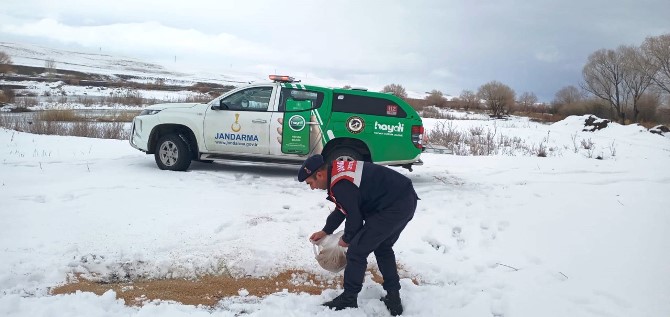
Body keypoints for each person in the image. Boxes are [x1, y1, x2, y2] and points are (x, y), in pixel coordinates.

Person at [298, 154, 418, 316]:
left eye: (310, 183)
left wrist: (346, 239)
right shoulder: (337, 175)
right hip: (402, 200)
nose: (312, 187)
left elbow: (355, 217)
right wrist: (326, 231)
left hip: (394, 206)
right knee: (382, 247)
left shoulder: (340, 183)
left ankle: (349, 297)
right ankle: (393, 297)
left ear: (319, 174)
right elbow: (343, 208)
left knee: (356, 251)